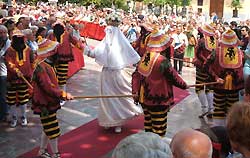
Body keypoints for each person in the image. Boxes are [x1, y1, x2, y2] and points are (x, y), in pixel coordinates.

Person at [84, 12, 142, 133]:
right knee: (107, 98)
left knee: (118, 97)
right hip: (106, 74)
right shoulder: (105, 42)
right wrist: (86, 48)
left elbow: (133, 54)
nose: (108, 33)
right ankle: (108, 120)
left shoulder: (122, 42)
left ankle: (119, 122)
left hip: (117, 73)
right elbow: (95, 53)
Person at [132, 26, 188, 137]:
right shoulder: (162, 61)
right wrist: (184, 85)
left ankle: (149, 147)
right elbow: (174, 77)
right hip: (158, 98)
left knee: (148, 125)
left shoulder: (145, 57)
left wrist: (135, 92)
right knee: (159, 128)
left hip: (144, 97)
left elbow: (136, 75)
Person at [32, 32, 74, 158]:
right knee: (53, 129)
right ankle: (56, 154)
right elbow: (48, 87)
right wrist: (63, 94)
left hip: (49, 102)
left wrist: (62, 94)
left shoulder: (48, 65)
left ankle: (42, 150)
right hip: (44, 103)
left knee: (48, 128)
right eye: (56, 51)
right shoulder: (41, 68)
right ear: (50, 53)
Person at [207, 29, 244, 126]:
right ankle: (230, 132)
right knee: (232, 109)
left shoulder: (216, 52)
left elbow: (205, 66)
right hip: (234, 87)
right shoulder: (241, 53)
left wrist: (215, 78)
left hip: (219, 85)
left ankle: (218, 133)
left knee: (218, 108)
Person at [47, 21, 83, 105]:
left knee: (62, 79)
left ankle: (62, 96)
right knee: (53, 78)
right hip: (53, 60)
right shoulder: (51, 35)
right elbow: (47, 45)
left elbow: (75, 41)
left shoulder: (67, 35)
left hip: (64, 59)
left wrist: (82, 48)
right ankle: (54, 95)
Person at [4, 29, 33, 127]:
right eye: (17, 39)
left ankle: (23, 116)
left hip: (24, 79)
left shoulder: (28, 50)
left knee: (23, 99)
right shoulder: (9, 50)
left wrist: (30, 73)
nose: (19, 41)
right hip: (12, 79)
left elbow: (32, 62)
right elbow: (8, 62)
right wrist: (16, 71)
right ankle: (14, 117)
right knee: (11, 100)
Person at [193, 23, 217, 118]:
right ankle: (211, 109)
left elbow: (198, 54)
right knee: (209, 88)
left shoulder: (202, 41)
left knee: (199, 87)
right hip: (212, 68)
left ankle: (204, 108)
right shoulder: (216, 41)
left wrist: (203, 61)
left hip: (202, 67)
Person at [0, 25, 10, 121]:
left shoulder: (9, 44)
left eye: (4, 32)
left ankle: (4, 114)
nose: (2, 34)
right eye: (1, 33)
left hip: (3, 73)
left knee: (3, 95)